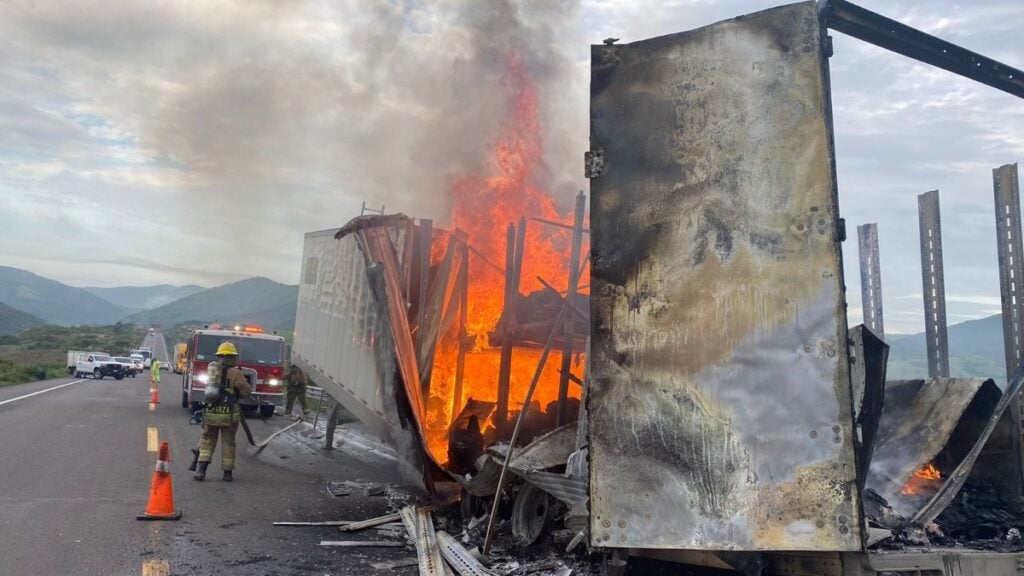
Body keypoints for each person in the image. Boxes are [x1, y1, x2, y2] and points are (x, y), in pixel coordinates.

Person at [193, 342, 251, 482]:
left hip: (211, 413)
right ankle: (227, 474)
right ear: (232, 358)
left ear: (219, 357)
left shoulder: (212, 371)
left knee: (207, 441)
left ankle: (201, 471)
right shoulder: (236, 373)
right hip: (228, 416)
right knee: (228, 443)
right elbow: (246, 392)